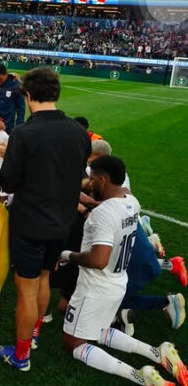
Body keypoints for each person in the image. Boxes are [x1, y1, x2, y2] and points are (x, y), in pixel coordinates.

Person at [0, 67, 91, 370]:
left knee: (26, 287)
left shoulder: (24, 132)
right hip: (62, 221)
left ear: (28, 95)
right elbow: (78, 175)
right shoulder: (78, 131)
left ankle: (22, 355)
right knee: (45, 276)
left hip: (30, 222)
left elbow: (8, 183)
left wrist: (10, 156)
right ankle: (34, 333)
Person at [60, 155, 188, 386]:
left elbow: (98, 259)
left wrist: (67, 255)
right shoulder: (131, 202)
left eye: (92, 179)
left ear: (103, 180)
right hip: (117, 282)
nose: (89, 184)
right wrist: (90, 202)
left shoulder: (103, 214)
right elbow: (114, 206)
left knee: (73, 344)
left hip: (94, 287)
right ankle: (156, 353)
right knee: (100, 330)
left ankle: (140, 376)